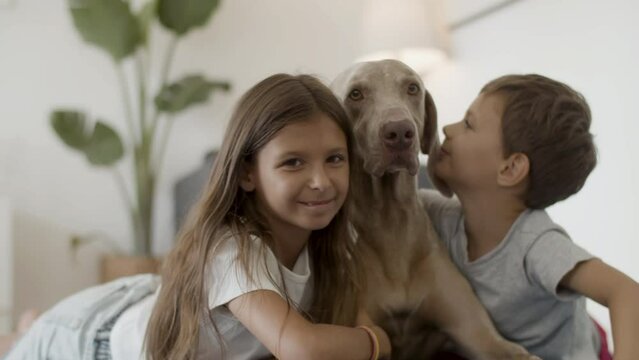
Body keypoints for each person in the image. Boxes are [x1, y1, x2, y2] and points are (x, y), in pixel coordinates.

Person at [3, 73, 391, 360]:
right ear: (246, 173)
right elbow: (302, 347)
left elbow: (351, 321)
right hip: (92, 338)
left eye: (335, 159)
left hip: (143, 301)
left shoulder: (332, 247)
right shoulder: (235, 250)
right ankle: (27, 331)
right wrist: (377, 343)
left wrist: (364, 333)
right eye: (293, 163)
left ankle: (25, 328)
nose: (321, 181)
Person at [421, 74, 639, 360]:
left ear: (510, 169)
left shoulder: (535, 244)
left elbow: (626, 292)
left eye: (468, 124)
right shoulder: (439, 216)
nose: (448, 129)